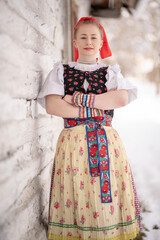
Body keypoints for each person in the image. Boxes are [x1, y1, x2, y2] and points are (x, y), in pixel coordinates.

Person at [37, 16, 143, 240]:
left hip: (105, 140)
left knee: (105, 192)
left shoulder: (109, 73)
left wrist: (76, 99)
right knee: (78, 189)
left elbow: (121, 99)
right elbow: (53, 105)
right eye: (83, 36)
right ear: (75, 42)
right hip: (73, 142)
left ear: (101, 41)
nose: (88, 41)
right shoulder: (61, 71)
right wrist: (97, 107)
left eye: (94, 37)